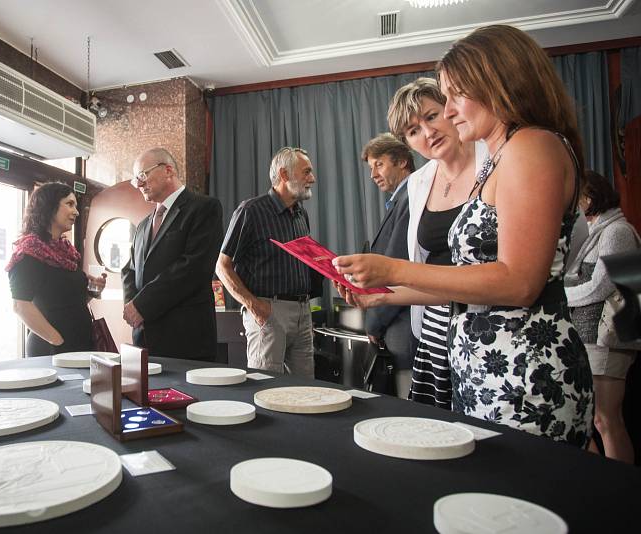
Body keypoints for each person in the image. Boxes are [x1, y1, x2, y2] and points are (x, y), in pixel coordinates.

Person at [333, 24, 594, 448]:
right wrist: (383, 295)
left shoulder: (530, 146)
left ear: (499, 84)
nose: (450, 111)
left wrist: (393, 267)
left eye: (455, 95)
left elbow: (519, 282)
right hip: (487, 367)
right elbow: (471, 282)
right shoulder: (504, 155)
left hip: (524, 373)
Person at [386, 77, 486, 409]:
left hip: (491, 320)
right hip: (435, 322)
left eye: (431, 116)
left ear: (451, 110)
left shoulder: (495, 159)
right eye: (413, 131)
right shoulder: (418, 183)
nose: (427, 133)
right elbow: (421, 262)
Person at [216, 147, 323, 377]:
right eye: (306, 172)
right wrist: (254, 306)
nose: (312, 179)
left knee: (306, 391)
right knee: (266, 388)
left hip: (303, 314)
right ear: (284, 175)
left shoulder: (301, 214)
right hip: (269, 312)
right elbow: (222, 266)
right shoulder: (250, 211)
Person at [565, 170, 640, 463]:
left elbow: (600, 286)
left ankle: (622, 490)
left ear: (589, 197)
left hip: (606, 338)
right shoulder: (595, 231)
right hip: (589, 336)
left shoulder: (617, 231)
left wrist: (560, 297)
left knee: (606, 421)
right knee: (589, 419)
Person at [122, 148, 223, 360]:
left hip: (185, 338)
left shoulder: (204, 208)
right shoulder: (142, 226)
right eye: (135, 180)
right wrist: (133, 308)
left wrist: (142, 305)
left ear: (168, 170)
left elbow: (193, 268)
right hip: (144, 337)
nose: (139, 184)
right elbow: (130, 270)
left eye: (142, 175)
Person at [7, 182, 106, 356]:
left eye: (75, 205)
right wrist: (58, 341)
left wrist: (93, 289)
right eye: (69, 204)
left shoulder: (66, 251)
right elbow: (20, 305)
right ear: (49, 207)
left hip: (79, 345)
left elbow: (70, 302)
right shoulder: (29, 250)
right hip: (52, 349)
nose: (76, 211)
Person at [359, 134, 417, 398]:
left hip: (403, 326)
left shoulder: (410, 198)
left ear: (402, 161)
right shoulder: (402, 198)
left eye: (379, 164)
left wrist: (374, 323)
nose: (373, 174)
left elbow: (394, 269)